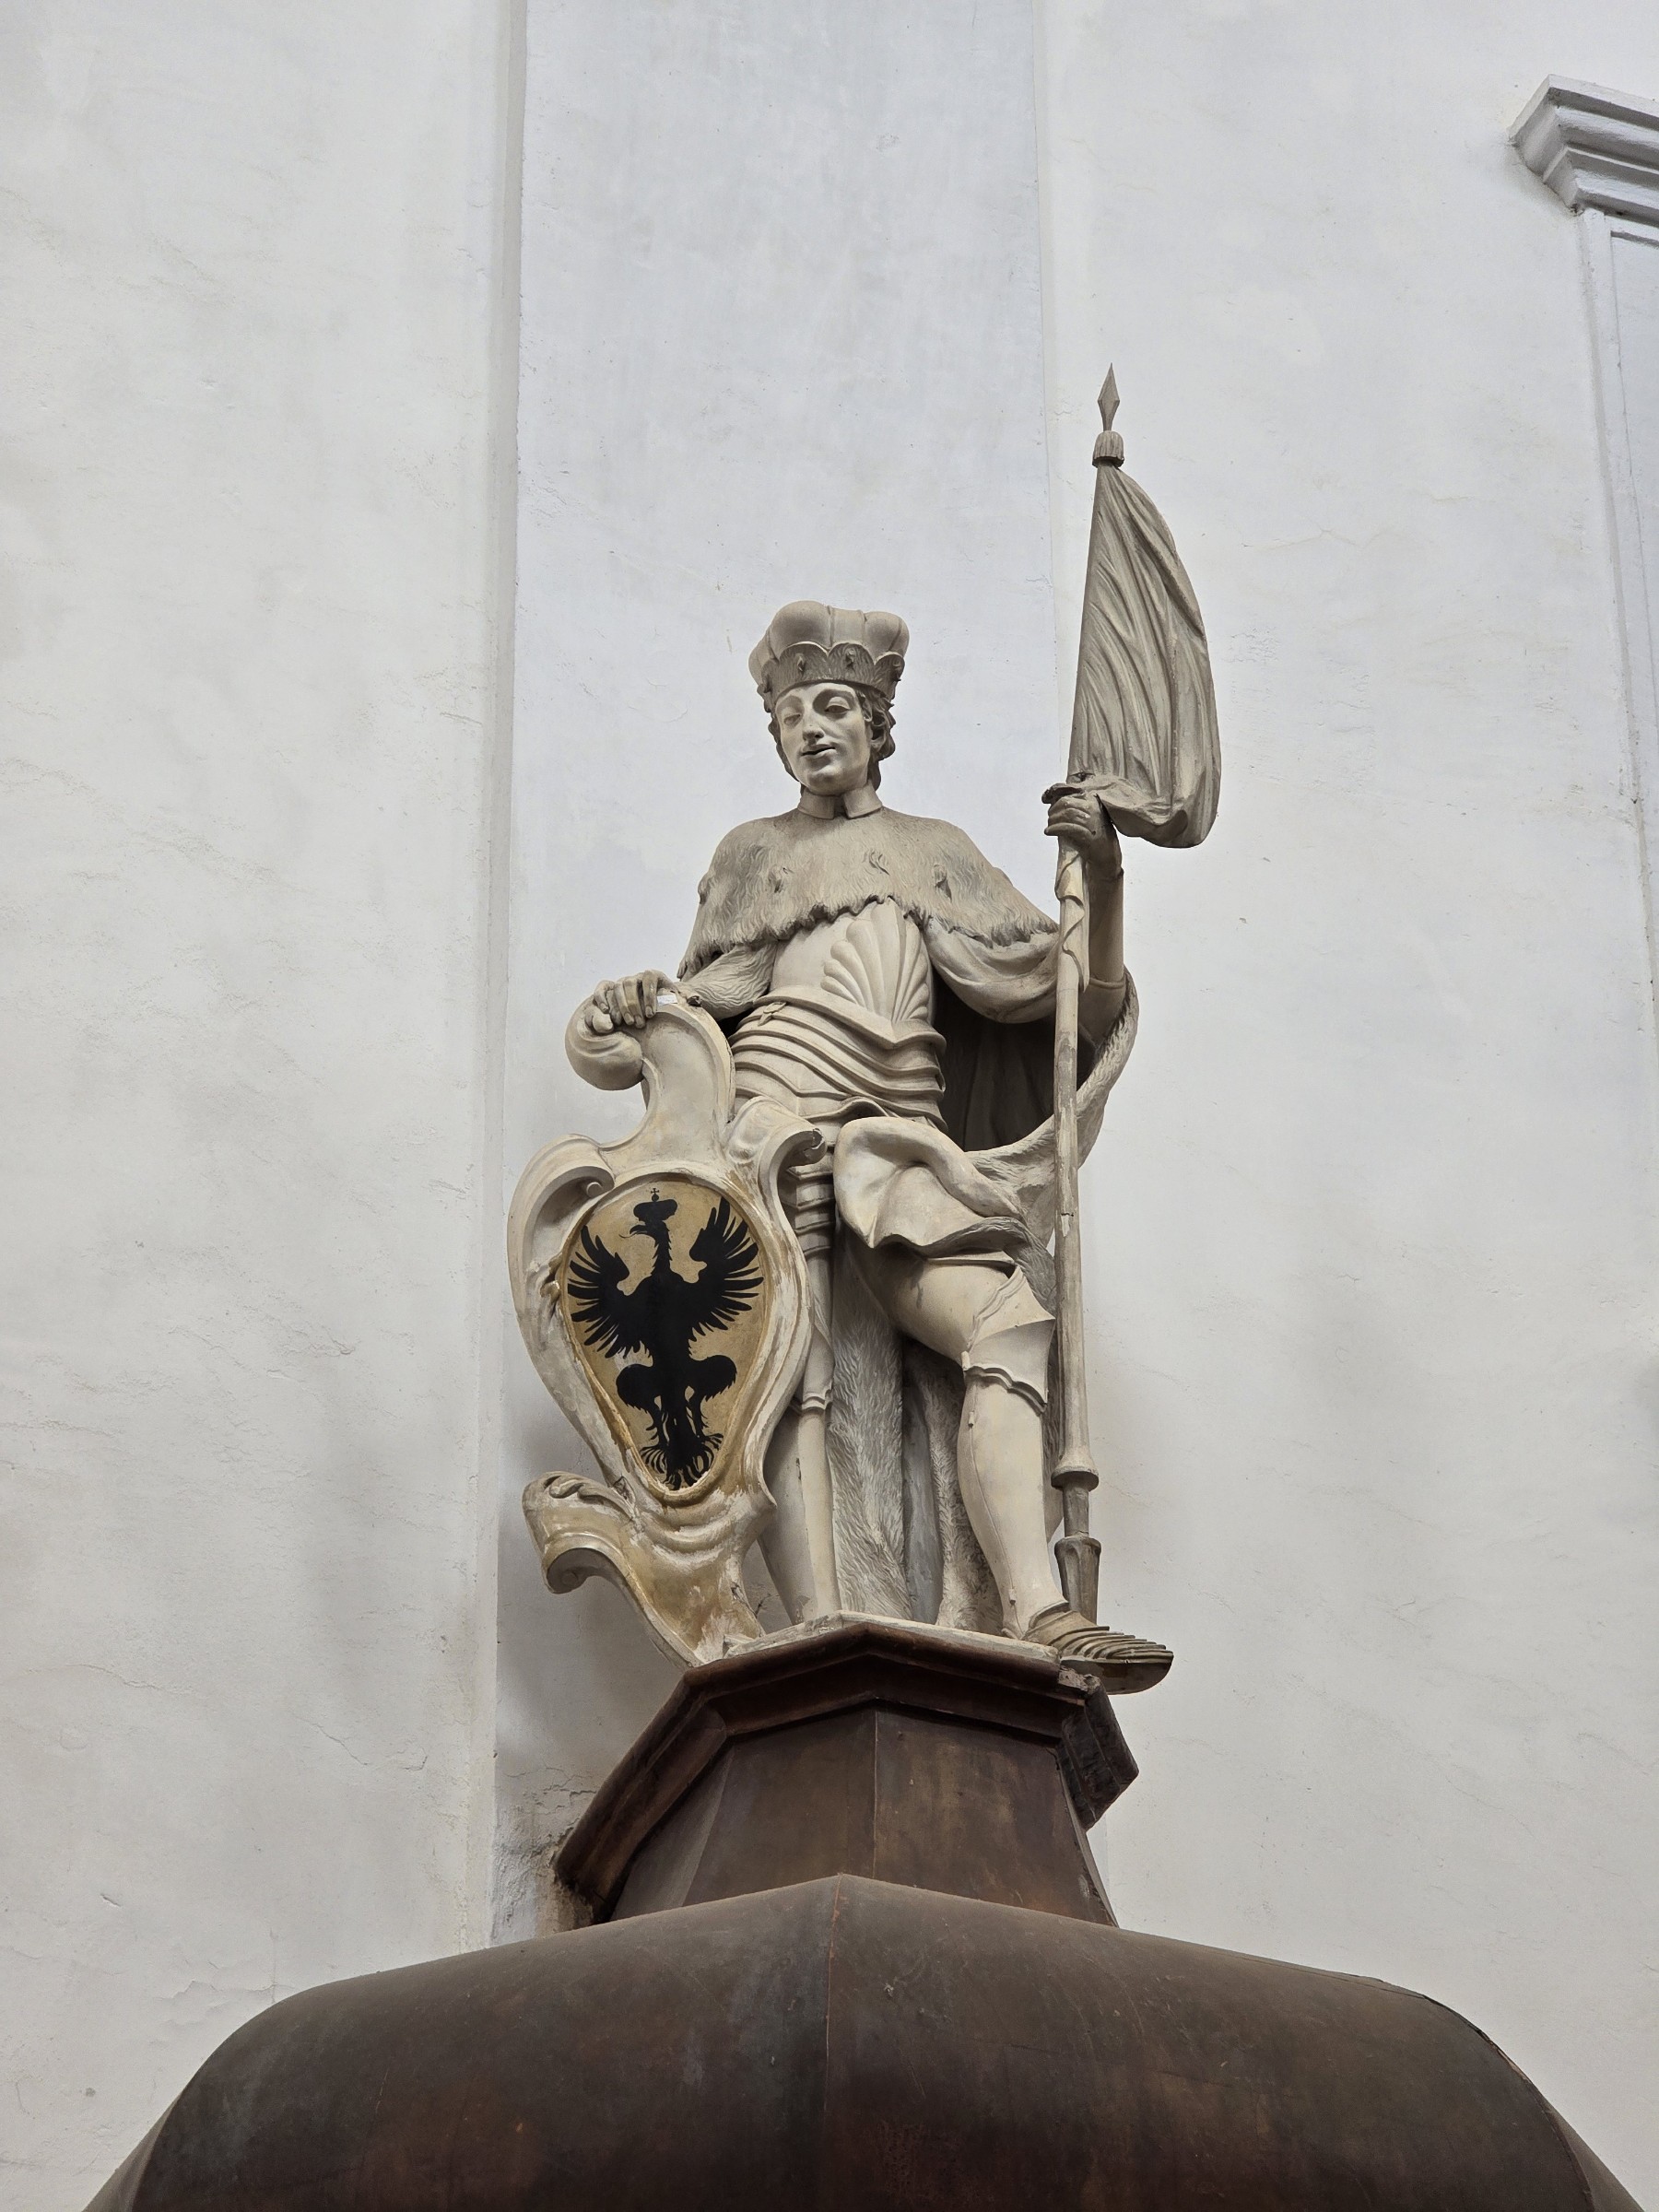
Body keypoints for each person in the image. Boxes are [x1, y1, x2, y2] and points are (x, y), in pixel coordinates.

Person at [572, 602, 1170, 1688]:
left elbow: (1074, 999)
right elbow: (699, 1004)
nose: (811, 729)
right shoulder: (750, 856)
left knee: (1006, 1322)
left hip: (897, 1149)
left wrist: (1106, 874)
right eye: (791, 715)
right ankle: (817, 1626)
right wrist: (635, 1004)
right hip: (772, 1136)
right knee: (781, 1373)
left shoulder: (938, 855)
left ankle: (1036, 1609)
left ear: (876, 722)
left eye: (834, 707)